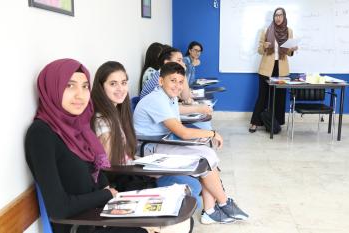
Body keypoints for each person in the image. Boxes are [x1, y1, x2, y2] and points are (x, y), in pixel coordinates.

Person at [25, 58, 147, 233]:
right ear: (52, 88)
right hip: (79, 226)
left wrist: (109, 194)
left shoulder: (79, 127)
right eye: (69, 86)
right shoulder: (41, 134)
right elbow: (59, 208)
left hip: (99, 216)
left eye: (84, 87)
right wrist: (106, 194)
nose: (80, 95)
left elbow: (98, 178)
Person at [134, 62, 249, 224]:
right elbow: (183, 132)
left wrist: (199, 110)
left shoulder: (167, 96)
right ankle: (222, 203)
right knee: (204, 155)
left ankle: (211, 210)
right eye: (173, 80)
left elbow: (176, 112)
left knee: (206, 151)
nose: (177, 86)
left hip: (161, 142)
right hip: (148, 149)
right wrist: (212, 133)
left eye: (181, 82)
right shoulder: (156, 99)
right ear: (161, 81)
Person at [90, 60, 202, 210]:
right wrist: (148, 170)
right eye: (113, 84)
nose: (120, 89)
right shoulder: (102, 120)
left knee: (195, 186)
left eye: (123, 83)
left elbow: (125, 155)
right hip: (126, 180)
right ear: (101, 87)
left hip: (136, 170)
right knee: (193, 196)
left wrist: (150, 165)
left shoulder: (118, 112)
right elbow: (113, 165)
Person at [249, 7, 298, 133]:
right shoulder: (266, 30)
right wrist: (264, 47)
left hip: (282, 69)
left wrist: (293, 49)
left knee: (280, 98)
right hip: (266, 69)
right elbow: (259, 50)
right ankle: (254, 123)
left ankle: (275, 124)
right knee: (262, 97)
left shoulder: (289, 31)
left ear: (284, 17)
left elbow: (289, 53)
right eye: (276, 15)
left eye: (281, 15)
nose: (278, 18)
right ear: (274, 17)